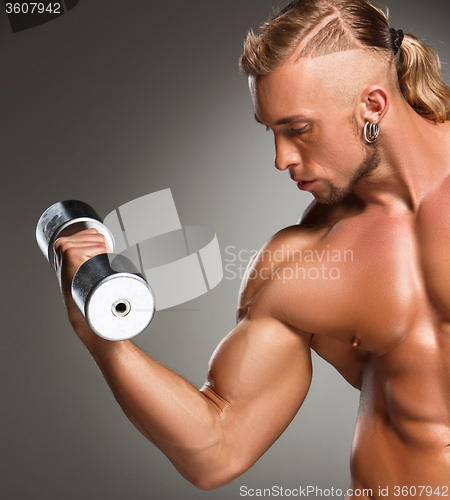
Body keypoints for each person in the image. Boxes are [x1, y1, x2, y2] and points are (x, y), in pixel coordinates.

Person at [54, 0, 450, 497]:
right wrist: (100, 335)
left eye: (298, 129)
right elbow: (218, 447)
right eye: (272, 130)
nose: (282, 158)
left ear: (372, 106)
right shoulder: (300, 260)